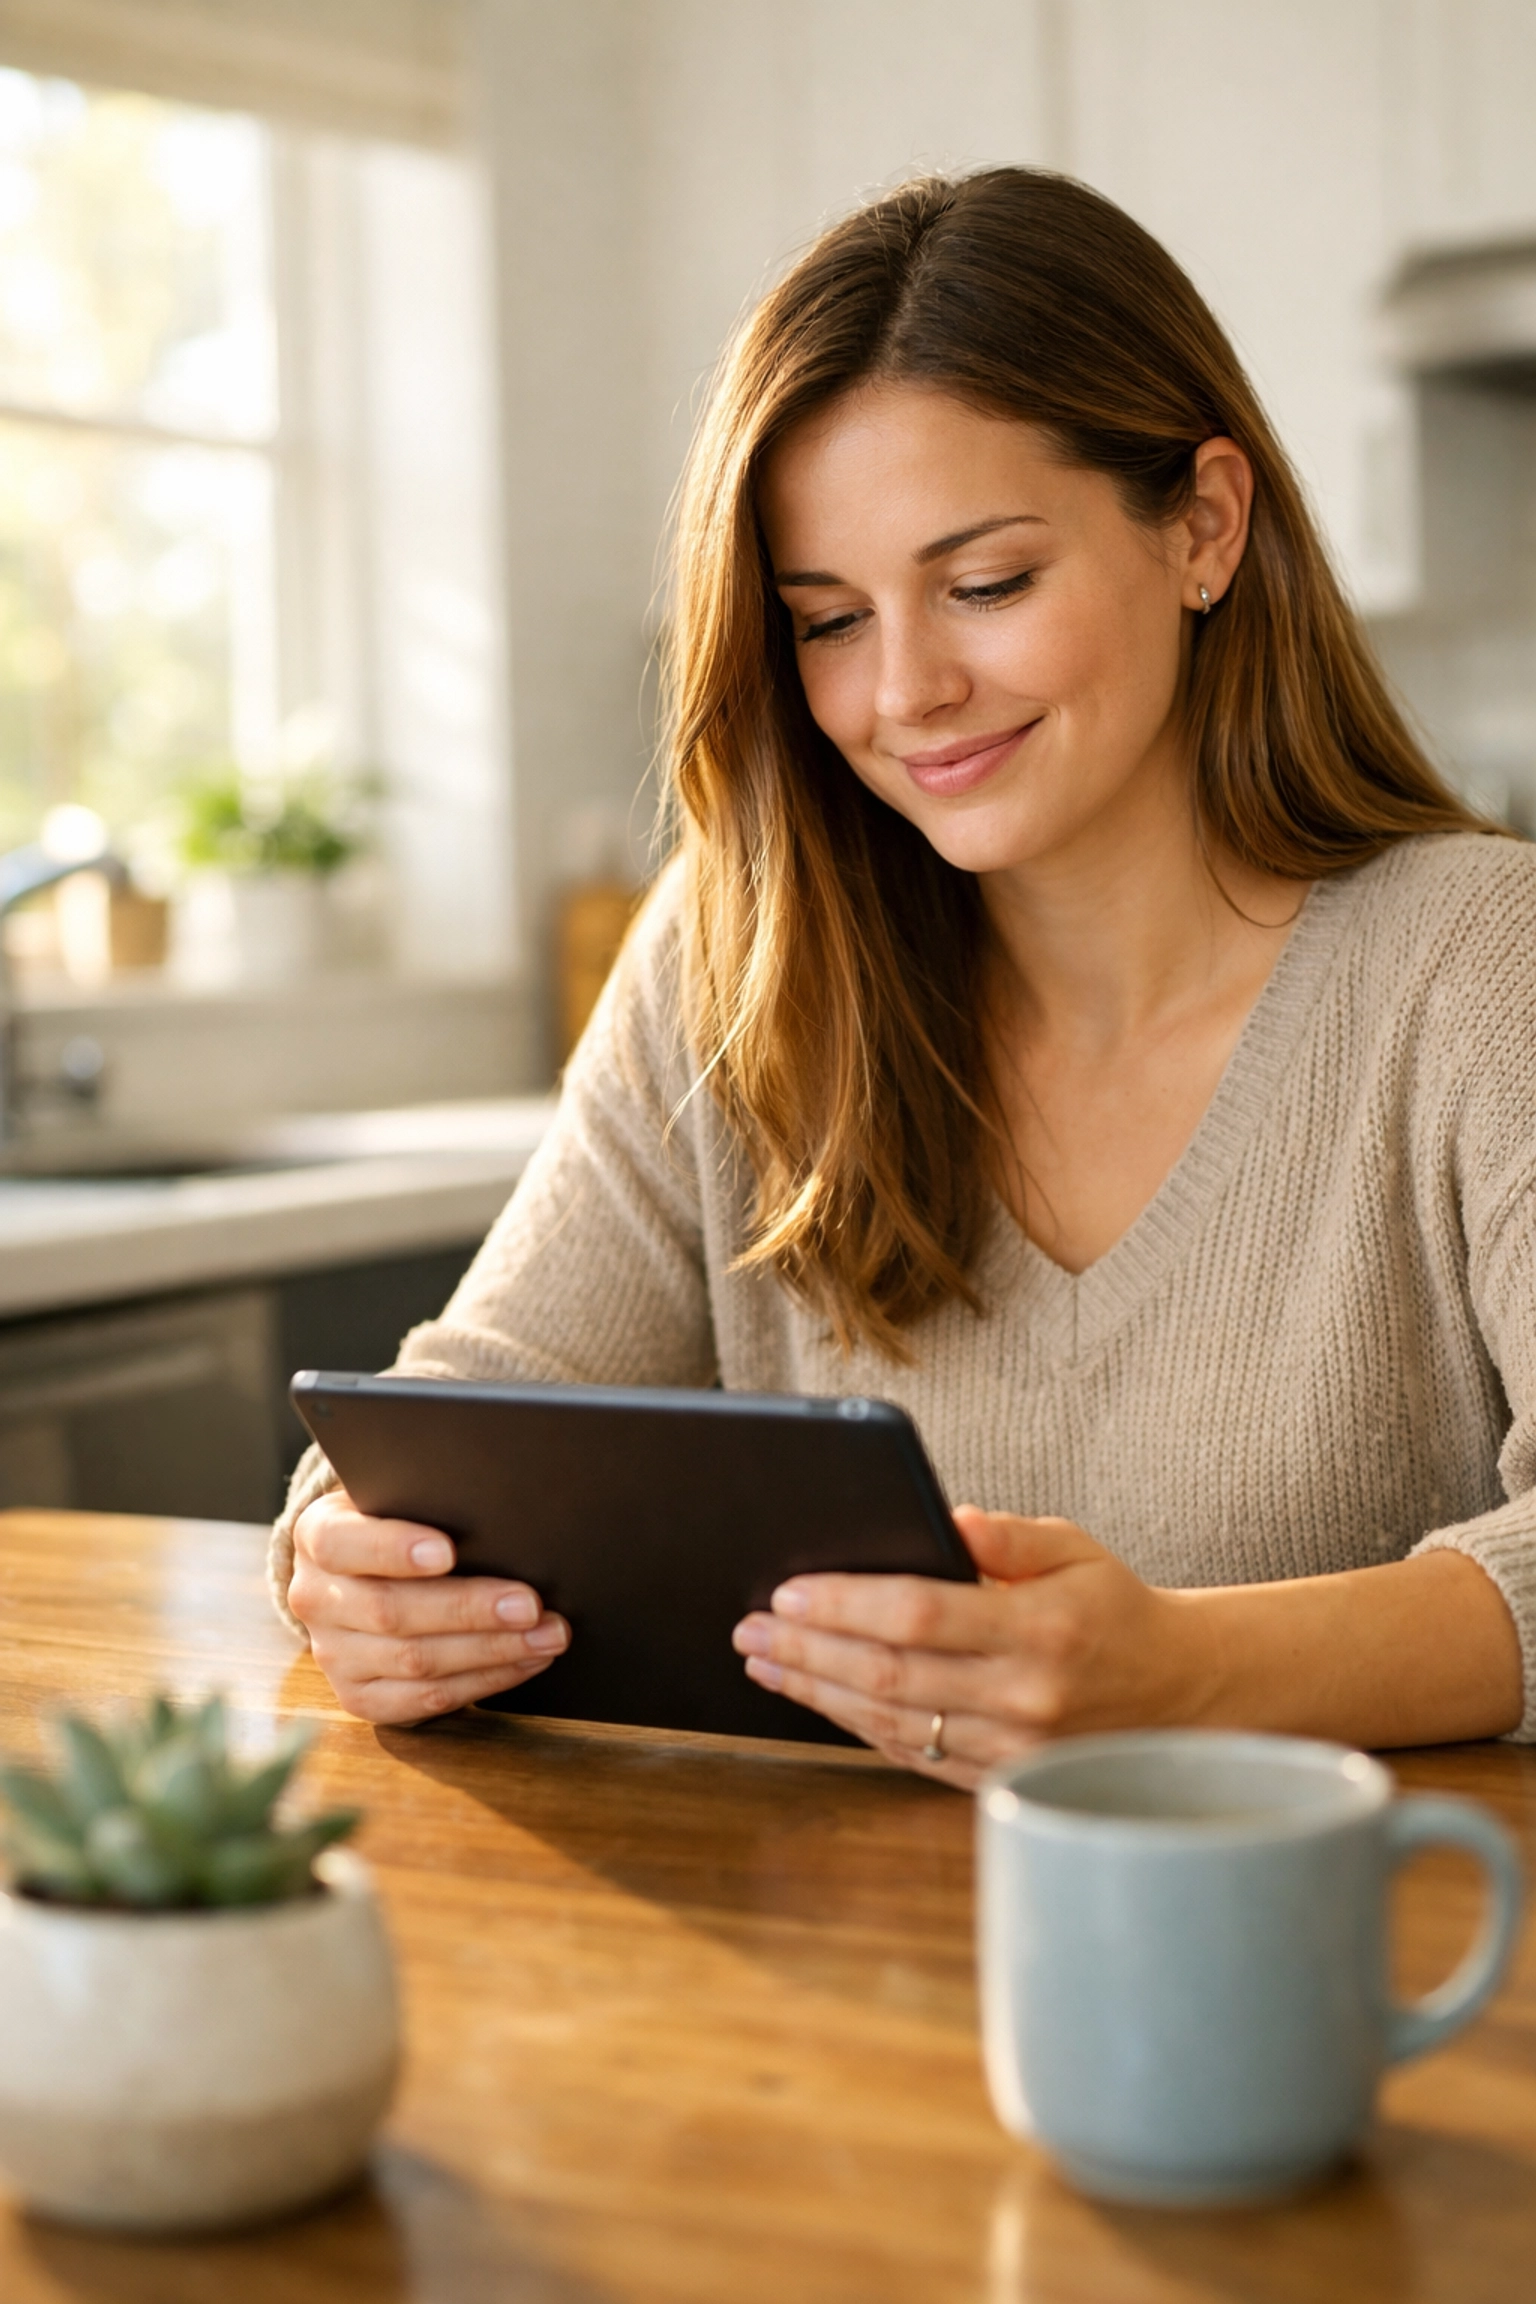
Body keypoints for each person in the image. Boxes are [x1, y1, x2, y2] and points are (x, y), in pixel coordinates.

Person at [272, 168, 1535, 1788]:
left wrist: (1188, 1672)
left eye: (988, 584)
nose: (907, 693)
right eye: (825, 622)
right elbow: (472, 1407)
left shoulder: (1481, 968)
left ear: (1204, 528)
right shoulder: (734, 966)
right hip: (835, 1988)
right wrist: (342, 1561)